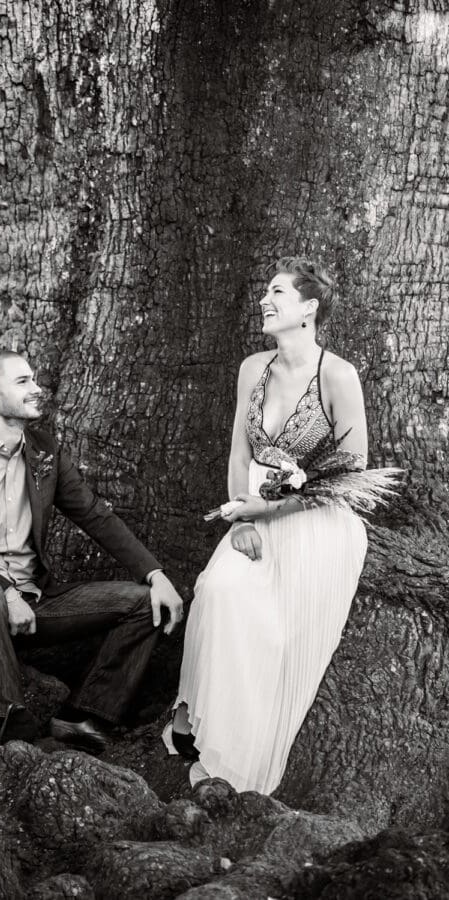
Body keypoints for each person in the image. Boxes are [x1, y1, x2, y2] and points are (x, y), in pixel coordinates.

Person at [0, 349, 183, 750]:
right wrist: (4, 590)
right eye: (23, 382)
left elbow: (95, 516)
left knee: (144, 603)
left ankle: (79, 717)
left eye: (34, 379)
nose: (37, 389)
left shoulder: (45, 452)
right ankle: (2, 721)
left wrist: (154, 574)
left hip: (36, 602)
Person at [164, 257, 368, 794]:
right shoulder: (253, 367)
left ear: (308, 308)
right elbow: (239, 451)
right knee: (218, 590)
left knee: (270, 633)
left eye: (276, 292)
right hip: (252, 510)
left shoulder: (338, 376)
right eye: (264, 292)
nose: (264, 300)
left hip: (318, 524)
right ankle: (196, 719)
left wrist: (269, 511)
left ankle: (237, 756)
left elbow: (350, 472)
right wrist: (241, 515)